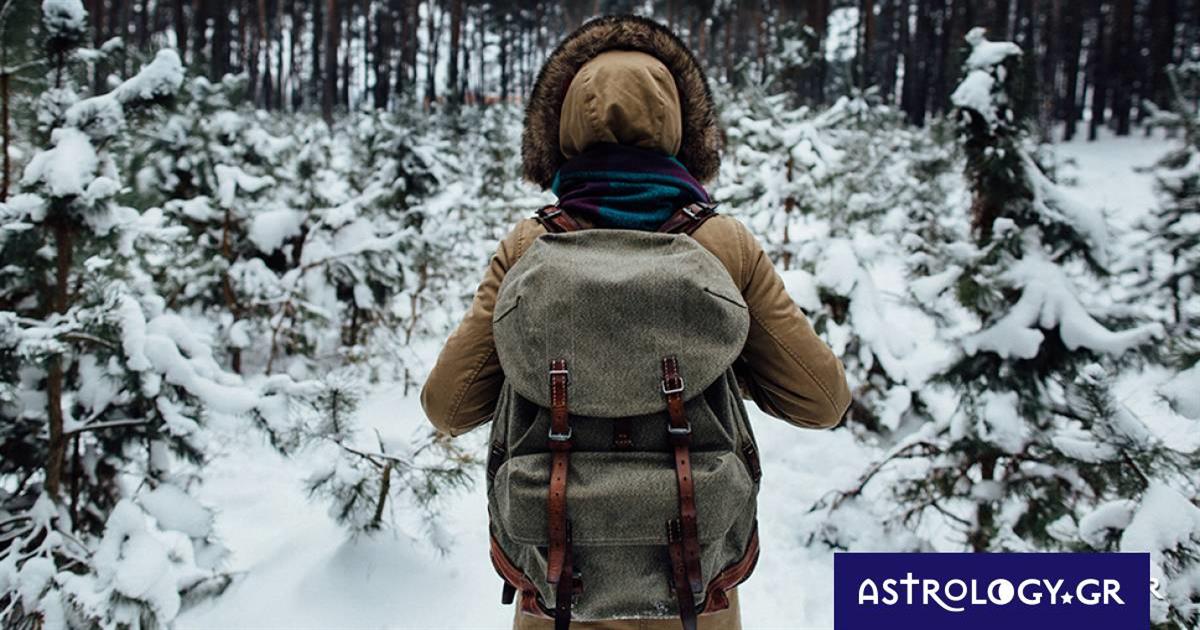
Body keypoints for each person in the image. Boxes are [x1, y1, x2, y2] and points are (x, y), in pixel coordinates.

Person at [422, 15, 851, 630]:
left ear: (562, 131)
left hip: (554, 586)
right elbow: (822, 400)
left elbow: (449, 405)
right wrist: (719, 362)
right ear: (679, 127)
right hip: (694, 589)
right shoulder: (722, 245)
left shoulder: (529, 246)